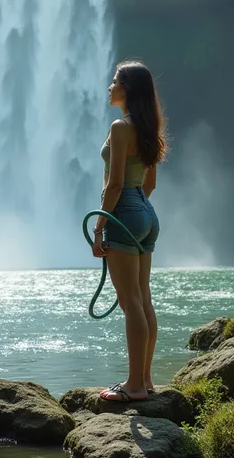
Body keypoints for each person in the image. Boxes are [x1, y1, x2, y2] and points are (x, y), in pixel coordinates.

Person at [92, 60, 167, 402]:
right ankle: (146, 380)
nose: (109, 87)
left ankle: (134, 385)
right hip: (146, 213)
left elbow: (116, 183)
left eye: (115, 82)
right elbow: (147, 183)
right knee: (143, 299)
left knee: (130, 302)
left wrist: (99, 227)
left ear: (128, 89)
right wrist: (138, 213)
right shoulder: (150, 128)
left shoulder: (120, 127)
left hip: (124, 210)